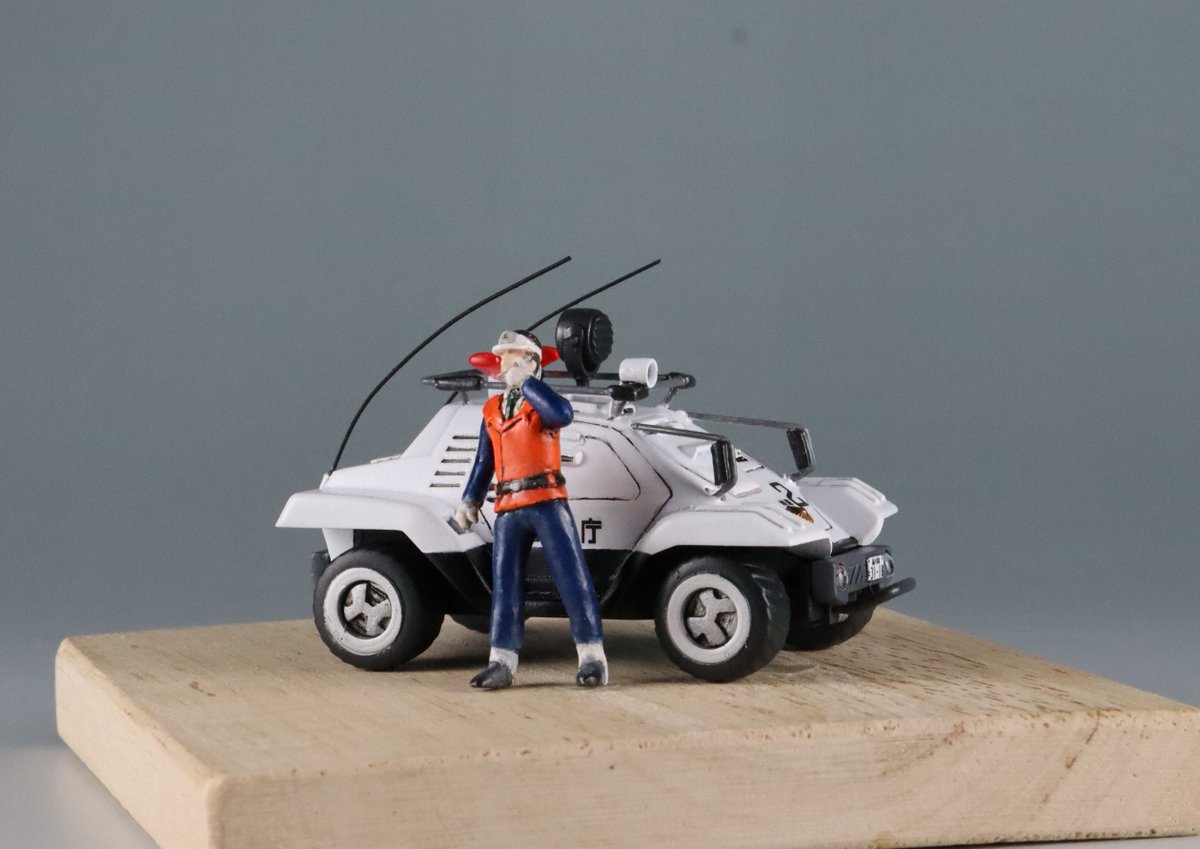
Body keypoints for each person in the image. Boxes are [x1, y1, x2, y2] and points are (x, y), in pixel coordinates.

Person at [453, 329, 608, 690]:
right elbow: (484, 460)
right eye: (502, 356)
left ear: (531, 361)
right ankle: (501, 661)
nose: (504, 363)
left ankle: (592, 657)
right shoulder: (491, 409)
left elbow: (562, 414)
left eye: (512, 356)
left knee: (571, 577)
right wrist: (471, 499)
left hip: (547, 502)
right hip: (508, 507)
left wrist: (528, 384)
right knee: (505, 584)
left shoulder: (541, 402)